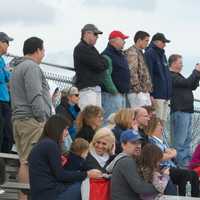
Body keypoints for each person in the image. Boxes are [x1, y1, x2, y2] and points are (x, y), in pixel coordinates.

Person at [10, 37, 52, 200]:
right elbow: (35, 94)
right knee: (29, 161)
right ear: (38, 50)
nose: (43, 54)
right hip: (31, 121)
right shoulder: (31, 67)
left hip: (20, 120)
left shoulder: (18, 67)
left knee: (24, 160)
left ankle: (24, 197)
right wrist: (41, 118)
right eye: (43, 50)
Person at [28, 115, 102, 200]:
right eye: (65, 129)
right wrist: (87, 174)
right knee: (87, 187)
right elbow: (61, 175)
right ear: (57, 129)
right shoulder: (50, 145)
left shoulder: (44, 143)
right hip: (49, 194)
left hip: (43, 193)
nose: (67, 133)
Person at [145, 116, 199, 197]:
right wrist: (171, 154)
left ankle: (195, 197)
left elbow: (173, 151)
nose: (162, 127)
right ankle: (183, 197)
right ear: (152, 126)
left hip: (171, 167)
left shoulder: (161, 141)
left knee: (193, 174)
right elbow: (159, 156)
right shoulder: (151, 140)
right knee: (185, 175)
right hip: (164, 168)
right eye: (159, 125)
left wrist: (171, 153)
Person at [107, 129, 158, 200]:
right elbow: (140, 188)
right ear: (123, 145)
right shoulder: (126, 161)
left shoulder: (131, 159)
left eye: (139, 143)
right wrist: (161, 185)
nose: (138, 146)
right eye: (134, 143)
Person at [169, 54, 200, 168]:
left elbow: (191, 85)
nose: (182, 64)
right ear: (173, 63)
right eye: (180, 62)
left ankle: (186, 165)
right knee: (180, 142)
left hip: (186, 111)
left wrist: (197, 75)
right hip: (180, 111)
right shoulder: (171, 75)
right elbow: (187, 83)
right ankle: (180, 166)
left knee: (187, 140)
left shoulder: (179, 76)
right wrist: (195, 71)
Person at [73, 24, 108, 109]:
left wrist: (103, 62)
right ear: (87, 33)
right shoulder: (81, 48)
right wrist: (102, 62)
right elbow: (99, 65)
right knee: (88, 118)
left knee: (95, 118)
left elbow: (104, 63)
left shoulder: (91, 49)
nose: (97, 37)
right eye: (95, 34)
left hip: (94, 90)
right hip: (87, 90)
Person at [102, 31, 130, 121]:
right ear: (114, 41)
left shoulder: (120, 55)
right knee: (109, 122)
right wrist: (114, 91)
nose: (124, 42)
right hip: (111, 95)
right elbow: (106, 75)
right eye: (122, 39)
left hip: (121, 95)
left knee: (119, 123)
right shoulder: (107, 54)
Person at [145, 33, 171, 121]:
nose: (165, 44)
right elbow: (149, 74)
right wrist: (151, 94)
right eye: (163, 42)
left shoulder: (163, 55)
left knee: (162, 123)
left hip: (165, 96)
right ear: (156, 42)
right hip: (157, 95)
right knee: (156, 122)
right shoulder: (150, 53)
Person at [125, 31, 152, 107]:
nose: (147, 43)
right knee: (138, 115)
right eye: (146, 41)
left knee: (147, 115)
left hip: (143, 91)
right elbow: (132, 71)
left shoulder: (140, 52)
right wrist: (138, 89)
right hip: (136, 92)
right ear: (139, 40)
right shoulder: (132, 52)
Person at [0, 32, 14, 153]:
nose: (8, 45)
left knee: (8, 133)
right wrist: (6, 76)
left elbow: (8, 77)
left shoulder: (2, 60)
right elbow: (4, 77)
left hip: (5, 100)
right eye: (6, 42)